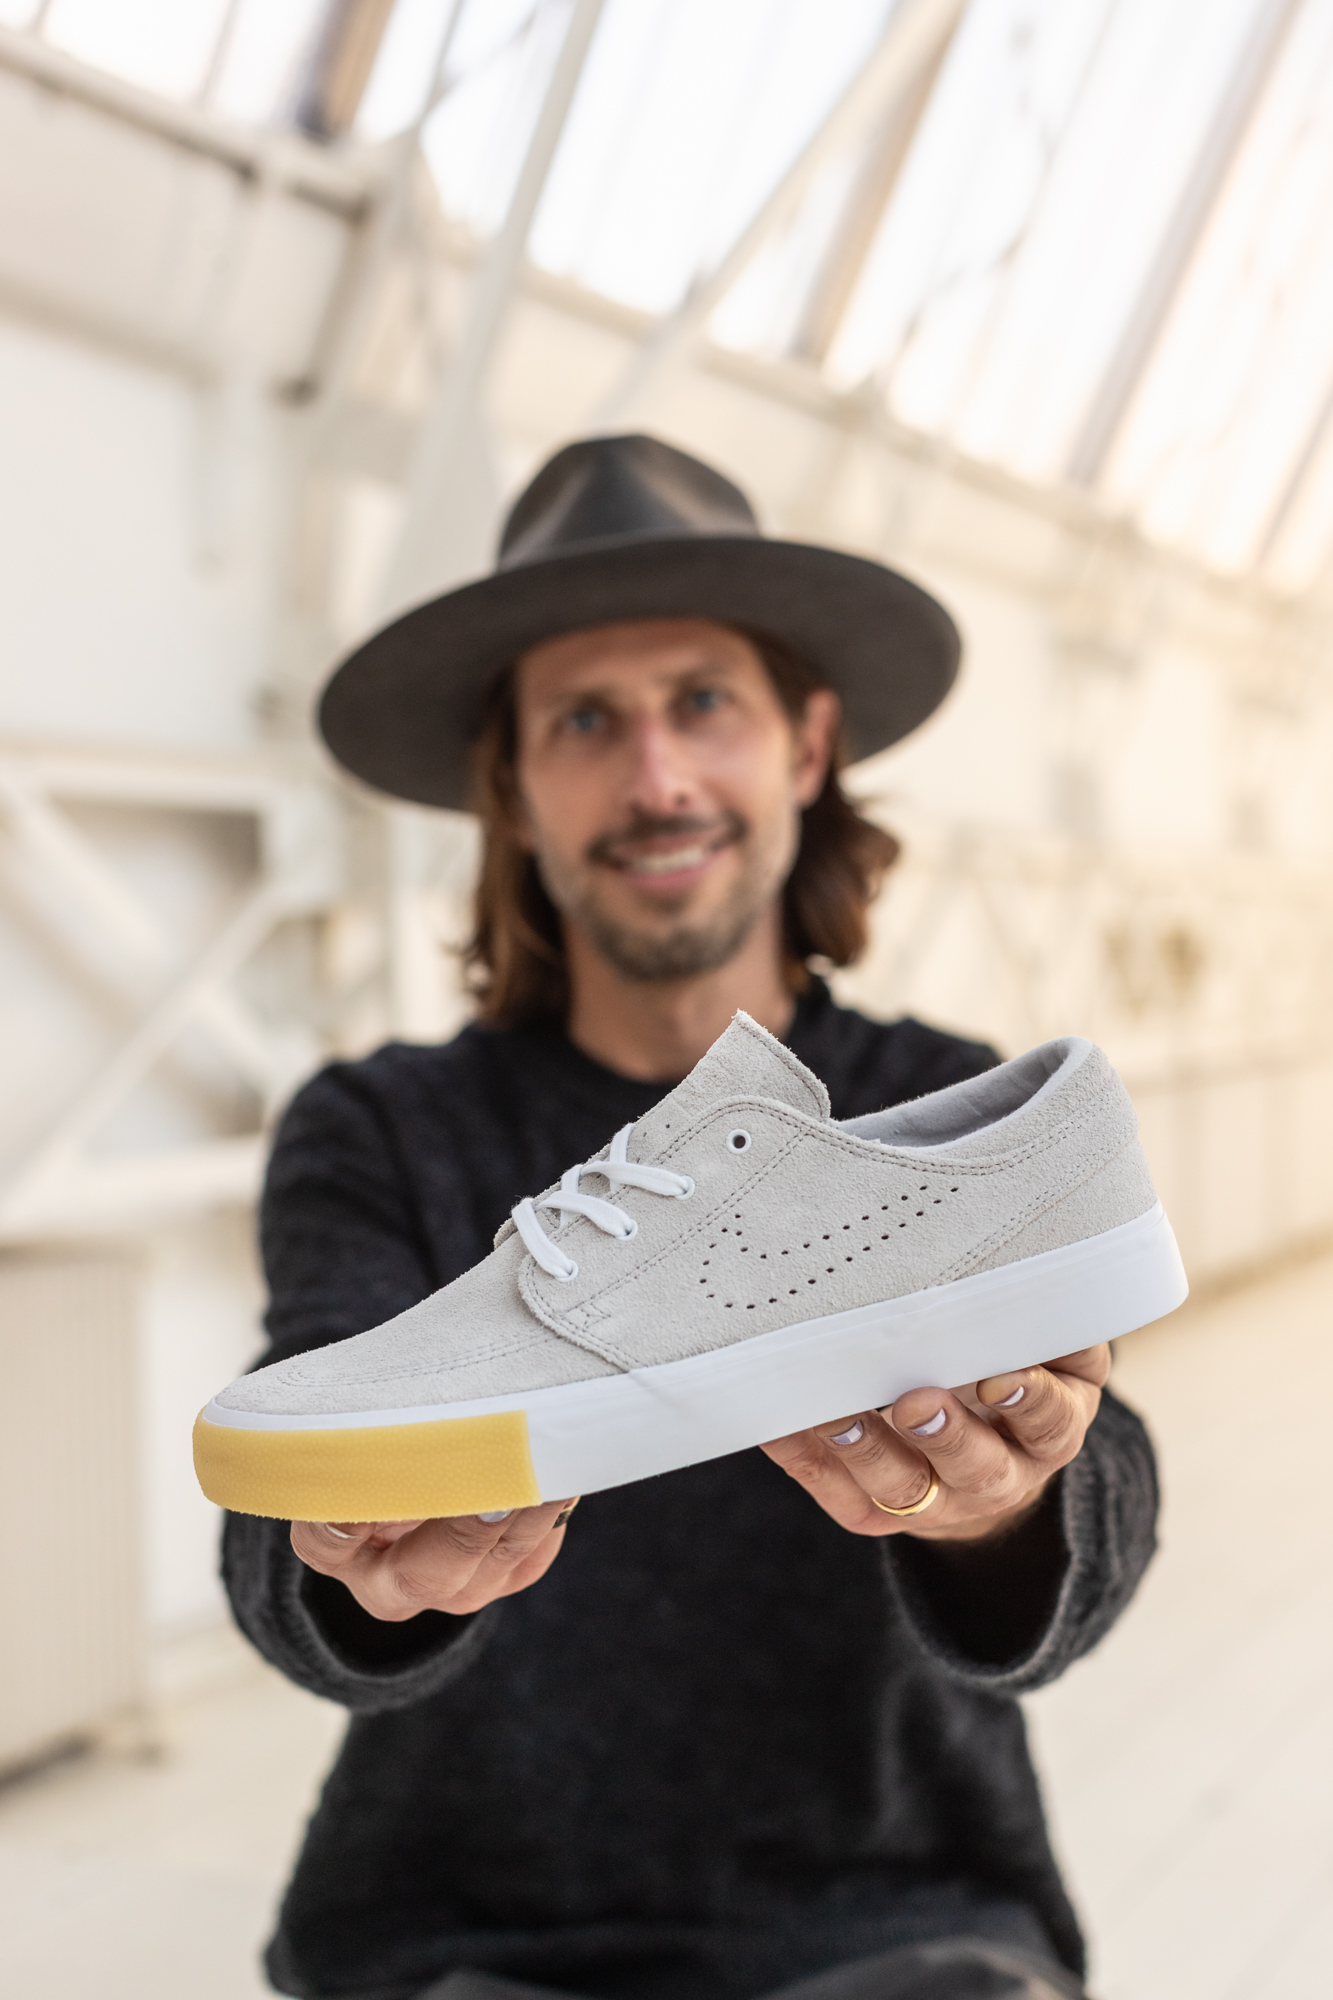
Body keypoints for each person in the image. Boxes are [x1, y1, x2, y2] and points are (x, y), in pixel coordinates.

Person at [224, 436, 1157, 2000]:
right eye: (585, 720)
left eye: (702, 701)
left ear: (805, 746)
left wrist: (1005, 1504)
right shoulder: (380, 1127)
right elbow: (287, 1506)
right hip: (457, 1934)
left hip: (902, 1915)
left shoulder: (939, 1099)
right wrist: (352, 1561)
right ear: (512, 787)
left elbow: (1104, 1481)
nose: (655, 778)